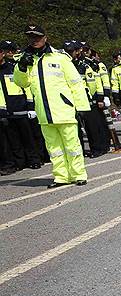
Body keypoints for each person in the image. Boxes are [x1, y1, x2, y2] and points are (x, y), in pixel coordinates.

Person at [14, 25, 90, 188]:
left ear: (45, 38)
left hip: (64, 109)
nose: (34, 40)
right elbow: (21, 83)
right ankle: (61, 177)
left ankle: (79, 175)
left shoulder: (60, 57)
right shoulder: (24, 58)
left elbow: (76, 83)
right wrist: (21, 67)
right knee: (54, 148)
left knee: (72, 145)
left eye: (37, 37)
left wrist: (82, 107)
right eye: (31, 37)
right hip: (43, 112)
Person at [0, 40, 43, 172]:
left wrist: (30, 106)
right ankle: (20, 162)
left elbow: (26, 86)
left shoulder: (13, 67)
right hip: (7, 111)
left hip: (22, 108)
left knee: (28, 138)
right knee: (14, 141)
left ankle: (34, 160)